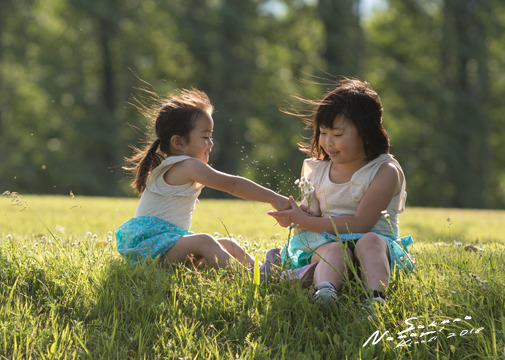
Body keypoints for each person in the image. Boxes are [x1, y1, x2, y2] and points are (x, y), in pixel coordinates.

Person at [268, 78, 414, 307]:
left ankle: (375, 300)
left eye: (337, 134)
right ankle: (325, 291)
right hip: (329, 244)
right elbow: (312, 215)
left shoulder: (383, 171)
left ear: (366, 134)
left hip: (374, 249)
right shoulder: (316, 170)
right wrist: (300, 216)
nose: (328, 142)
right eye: (323, 132)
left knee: (370, 242)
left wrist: (306, 221)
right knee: (335, 250)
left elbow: (361, 223)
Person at [116, 88, 289, 270]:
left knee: (227, 244)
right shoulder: (186, 165)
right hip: (152, 252)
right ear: (179, 142)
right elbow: (232, 185)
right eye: (205, 137)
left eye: (211, 136)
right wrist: (274, 198)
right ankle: (250, 278)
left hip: (162, 248)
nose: (211, 143)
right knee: (204, 241)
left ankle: (264, 271)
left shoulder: (173, 164)